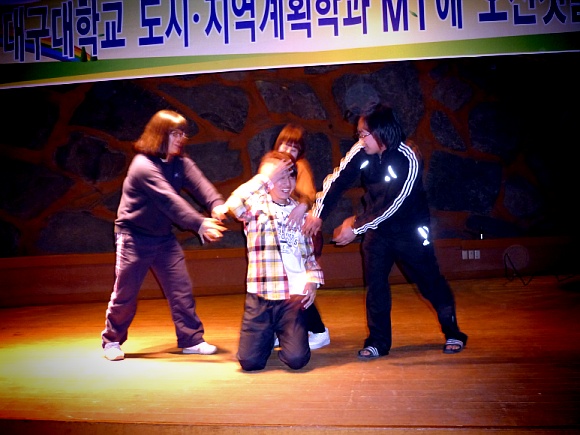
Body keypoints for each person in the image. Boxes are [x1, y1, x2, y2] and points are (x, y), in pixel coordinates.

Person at [303, 103, 468, 359]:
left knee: (430, 283)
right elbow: (339, 180)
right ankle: (378, 342)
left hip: (410, 232)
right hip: (377, 232)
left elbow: (395, 203)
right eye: (359, 133)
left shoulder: (409, 155)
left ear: (382, 132)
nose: (360, 139)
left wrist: (356, 226)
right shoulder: (362, 150)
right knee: (376, 287)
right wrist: (318, 214)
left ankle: (453, 333)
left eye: (364, 133)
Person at [101, 109, 227, 361]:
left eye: (183, 134)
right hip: (133, 237)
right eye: (175, 134)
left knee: (181, 289)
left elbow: (201, 185)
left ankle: (191, 339)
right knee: (126, 293)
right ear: (159, 134)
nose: (181, 139)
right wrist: (199, 223)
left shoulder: (181, 162)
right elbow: (168, 199)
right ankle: (112, 340)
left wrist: (216, 205)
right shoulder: (143, 165)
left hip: (163, 238)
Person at [216, 151, 324, 371]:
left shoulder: (300, 211)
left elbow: (308, 255)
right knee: (250, 362)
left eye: (290, 176)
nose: (286, 183)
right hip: (261, 296)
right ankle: (268, 335)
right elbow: (233, 204)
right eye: (279, 176)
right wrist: (265, 178)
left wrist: (313, 280)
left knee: (297, 360)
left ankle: (284, 333)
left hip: (292, 297)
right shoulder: (255, 207)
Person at [273, 123, 330, 350]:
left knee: (299, 286)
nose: (289, 151)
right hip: (281, 238)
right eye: (285, 145)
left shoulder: (300, 166)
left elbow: (308, 194)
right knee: (282, 285)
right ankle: (282, 329)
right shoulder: (271, 165)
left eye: (294, 148)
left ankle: (318, 330)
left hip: (301, 236)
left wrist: (302, 205)